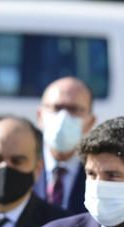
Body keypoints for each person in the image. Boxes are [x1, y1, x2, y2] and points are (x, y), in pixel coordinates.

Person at [33, 76, 95, 214]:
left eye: (74, 110)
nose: (63, 117)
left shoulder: (99, 174)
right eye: (56, 108)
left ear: (91, 122)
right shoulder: (22, 164)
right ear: (39, 116)